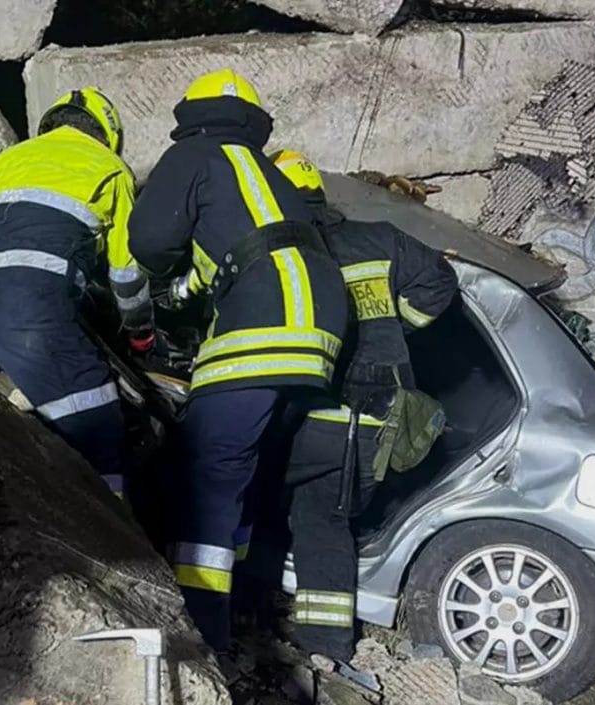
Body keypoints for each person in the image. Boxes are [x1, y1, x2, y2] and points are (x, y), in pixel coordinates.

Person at [128, 69, 349, 652]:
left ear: (188, 113)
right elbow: (240, 250)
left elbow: (150, 242)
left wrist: (157, 289)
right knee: (246, 472)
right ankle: (246, 607)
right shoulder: (268, 173)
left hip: (263, 322)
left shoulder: (194, 154)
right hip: (320, 327)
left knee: (207, 474)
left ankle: (199, 633)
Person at [271, 149, 458, 665]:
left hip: (321, 409)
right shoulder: (379, 239)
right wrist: (400, 323)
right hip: (381, 417)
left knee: (266, 498)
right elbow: (440, 281)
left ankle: (246, 617)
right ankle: (326, 644)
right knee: (327, 516)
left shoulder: (286, 250)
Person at [0, 87, 153, 499]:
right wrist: (141, 334)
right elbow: (127, 274)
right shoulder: (110, 168)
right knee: (96, 420)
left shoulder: (0, 163)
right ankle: (113, 542)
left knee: (3, 427)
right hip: (28, 307)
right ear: (108, 134)